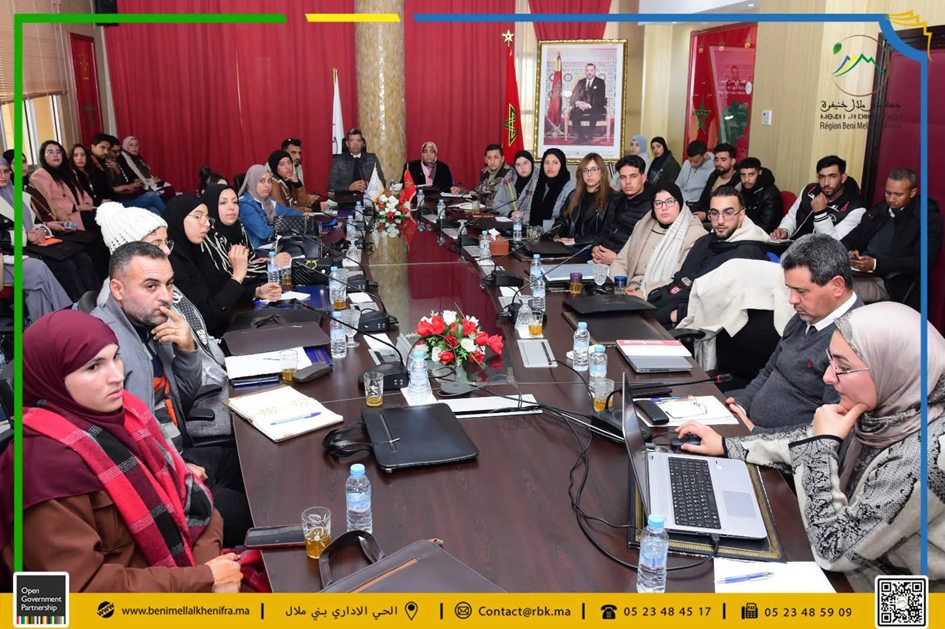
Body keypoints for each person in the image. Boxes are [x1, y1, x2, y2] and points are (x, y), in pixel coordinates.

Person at [677, 302, 945, 590]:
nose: (828, 377)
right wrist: (727, 444)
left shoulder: (925, 455)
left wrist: (820, 447)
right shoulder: (888, 408)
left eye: (843, 367)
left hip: (890, 591)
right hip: (850, 560)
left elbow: (833, 550)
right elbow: (804, 439)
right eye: (830, 361)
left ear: (892, 368)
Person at [0, 310, 244, 592]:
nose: (117, 376)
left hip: (185, 578)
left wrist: (210, 573)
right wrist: (203, 580)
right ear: (51, 378)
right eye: (93, 367)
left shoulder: (127, 413)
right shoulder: (39, 469)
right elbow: (76, 593)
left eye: (115, 357)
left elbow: (193, 501)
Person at [725, 234, 862, 433]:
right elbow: (770, 370)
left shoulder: (854, 341)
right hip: (750, 428)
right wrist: (740, 405)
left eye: (801, 291)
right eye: (790, 289)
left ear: (837, 286)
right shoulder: (807, 315)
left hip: (773, 446)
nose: (792, 300)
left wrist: (755, 435)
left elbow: (827, 431)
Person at [646, 187, 769, 326]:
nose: (720, 221)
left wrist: (674, 315)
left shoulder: (749, 255)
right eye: (714, 213)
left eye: (728, 213)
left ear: (741, 215)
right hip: (670, 308)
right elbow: (682, 281)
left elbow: (723, 307)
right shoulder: (704, 240)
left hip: (695, 325)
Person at [166, 195, 281, 337]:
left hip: (225, 330)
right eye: (197, 217)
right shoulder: (173, 264)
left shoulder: (199, 250)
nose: (206, 224)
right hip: (210, 339)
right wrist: (238, 275)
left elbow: (221, 284)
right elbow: (208, 317)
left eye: (207, 218)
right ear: (178, 219)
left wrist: (257, 292)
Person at [0, 157, 99, 300]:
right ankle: (76, 306)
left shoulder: (19, 194)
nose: (3, 176)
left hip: (38, 241)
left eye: (6, 171)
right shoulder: (35, 180)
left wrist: (42, 231)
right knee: (65, 266)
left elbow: (35, 221)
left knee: (82, 257)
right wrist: (27, 236)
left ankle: (97, 301)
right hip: (13, 249)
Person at [842, 168, 943, 307]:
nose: (891, 199)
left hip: (892, 282)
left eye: (898, 194)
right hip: (861, 272)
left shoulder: (927, 218)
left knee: (834, 291)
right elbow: (853, 237)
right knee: (820, 279)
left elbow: (923, 261)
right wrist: (846, 252)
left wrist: (876, 264)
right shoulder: (879, 211)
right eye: (888, 193)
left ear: (912, 192)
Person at [609, 182, 706, 295]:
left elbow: (682, 278)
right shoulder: (643, 226)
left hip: (661, 297)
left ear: (679, 203)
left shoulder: (694, 234)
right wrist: (620, 289)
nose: (664, 208)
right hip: (627, 291)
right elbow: (621, 262)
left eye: (670, 201)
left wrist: (644, 293)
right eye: (658, 203)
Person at [0, 195, 73, 319]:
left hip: (12, 253)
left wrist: (41, 231)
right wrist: (25, 236)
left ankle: (49, 323)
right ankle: (63, 314)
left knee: (38, 284)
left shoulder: (15, 193)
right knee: (37, 268)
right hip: (10, 252)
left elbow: (31, 223)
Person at [204, 183, 291, 283]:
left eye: (235, 202)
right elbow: (231, 275)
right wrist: (272, 263)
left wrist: (260, 264)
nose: (231, 207)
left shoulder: (238, 225)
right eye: (223, 203)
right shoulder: (209, 234)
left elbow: (251, 259)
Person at [771, 155, 865, 241]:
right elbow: (792, 216)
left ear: (843, 178)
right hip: (793, 246)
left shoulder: (856, 208)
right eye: (822, 177)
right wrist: (784, 230)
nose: (826, 183)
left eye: (832, 176)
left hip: (819, 253)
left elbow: (832, 244)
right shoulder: (809, 190)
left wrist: (821, 214)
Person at [593, 154, 653, 264]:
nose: (627, 182)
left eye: (633, 176)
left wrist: (617, 259)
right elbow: (604, 231)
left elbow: (649, 250)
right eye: (623, 177)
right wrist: (595, 247)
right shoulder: (616, 200)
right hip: (601, 260)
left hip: (627, 265)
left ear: (643, 178)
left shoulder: (653, 206)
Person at [88, 133, 165, 215]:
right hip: (114, 202)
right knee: (151, 196)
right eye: (102, 148)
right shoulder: (92, 164)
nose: (105, 152)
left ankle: (170, 221)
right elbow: (104, 189)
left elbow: (121, 181)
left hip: (118, 198)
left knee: (153, 210)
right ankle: (172, 219)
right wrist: (125, 186)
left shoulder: (108, 161)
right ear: (93, 147)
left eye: (107, 149)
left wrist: (117, 171)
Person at [29, 140, 96, 229]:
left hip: (83, 213)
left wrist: (87, 204)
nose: (55, 155)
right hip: (66, 222)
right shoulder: (41, 175)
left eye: (58, 151)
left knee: (106, 214)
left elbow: (83, 193)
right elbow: (48, 204)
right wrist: (75, 208)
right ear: (43, 156)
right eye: (50, 152)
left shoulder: (70, 172)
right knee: (96, 220)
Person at [237, 164, 304, 250]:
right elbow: (263, 233)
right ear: (252, 182)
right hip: (257, 251)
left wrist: (304, 216)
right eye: (262, 181)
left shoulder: (268, 200)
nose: (267, 185)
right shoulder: (244, 204)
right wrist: (288, 224)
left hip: (272, 245)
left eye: (269, 181)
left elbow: (287, 212)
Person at [552, 153, 612, 246]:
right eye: (585, 170)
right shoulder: (573, 195)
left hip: (591, 248)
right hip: (568, 247)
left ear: (602, 172)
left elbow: (607, 233)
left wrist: (576, 241)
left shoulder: (612, 197)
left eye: (594, 169)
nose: (589, 174)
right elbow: (561, 221)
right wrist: (556, 236)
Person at [526, 148, 575, 232]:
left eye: (555, 163)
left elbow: (567, 219)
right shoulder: (538, 184)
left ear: (562, 165)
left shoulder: (571, 186)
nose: (550, 166)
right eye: (546, 162)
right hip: (533, 232)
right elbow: (529, 210)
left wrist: (540, 224)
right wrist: (526, 225)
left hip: (556, 234)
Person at [690, 143, 738, 221]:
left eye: (723, 160)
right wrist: (688, 211)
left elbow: (730, 211)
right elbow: (702, 200)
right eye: (716, 159)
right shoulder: (714, 175)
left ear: (732, 161)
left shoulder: (737, 181)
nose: (718, 163)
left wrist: (706, 215)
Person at [328, 128, 385, 192]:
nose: (355, 144)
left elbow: (382, 182)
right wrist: (349, 187)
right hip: (345, 196)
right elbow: (331, 185)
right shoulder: (338, 160)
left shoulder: (372, 159)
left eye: (358, 140)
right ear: (347, 143)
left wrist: (370, 185)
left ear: (362, 143)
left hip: (367, 195)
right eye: (352, 141)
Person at [121, 136, 176, 201]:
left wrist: (153, 179)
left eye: (136, 145)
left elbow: (147, 173)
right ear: (125, 146)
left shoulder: (139, 159)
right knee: (166, 192)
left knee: (169, 189)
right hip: (143, 187)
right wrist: (152, 181)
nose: (134, 148)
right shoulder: (126, 160)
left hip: (150, 183)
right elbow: (139, 177)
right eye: (131, 145)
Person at [736, 156, 782, 233]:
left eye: (751, 174)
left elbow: (765, 227)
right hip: (744, 230)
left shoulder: (770, 194)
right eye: (743, 175)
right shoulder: (740, 189)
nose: (746, 180)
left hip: (760, 235)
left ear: (760, 172)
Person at [492, 150, 539, 219]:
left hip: (531, 223)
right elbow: (496, 203)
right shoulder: (508, 178)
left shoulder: (540, 179)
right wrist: (511, 212)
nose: (522, 167)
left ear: (532, 163)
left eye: (525, 163)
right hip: (510, 220)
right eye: (518, 164)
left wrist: (522, 216)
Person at [569, 63, 607, 143]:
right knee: (574, 112)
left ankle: (589, 137)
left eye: (591, 70)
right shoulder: (580, 82)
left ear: (595, 71)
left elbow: (600, 98)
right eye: (587, 70)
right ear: (585, 72)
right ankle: (581, 136)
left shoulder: (600, 82)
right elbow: (574, 95)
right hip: (581, 106)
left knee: (594, 113)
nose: (589, 72)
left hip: (595, 106)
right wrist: (578, 103)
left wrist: (588, 105)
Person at [675, 140, 715, 206]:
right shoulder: (686, 163)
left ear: (705, 155)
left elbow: (706, 197)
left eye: (696, 161)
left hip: (695, 203)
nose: (692, 164)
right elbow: (678, 183)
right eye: (690, 160)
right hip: (680, 199)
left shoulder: (712, 169)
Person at [281, 138, 320, 203]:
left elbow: (298, 193)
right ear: (283, 153)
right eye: (293, 153)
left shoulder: (298, 167)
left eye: (299, 153)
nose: (298, 157)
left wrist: (308, 197)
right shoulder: (277, 168)